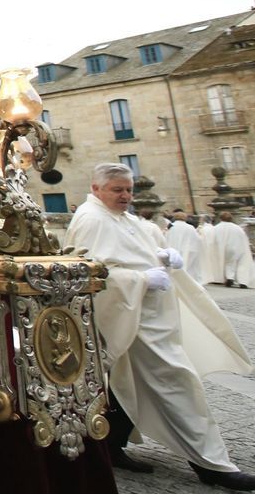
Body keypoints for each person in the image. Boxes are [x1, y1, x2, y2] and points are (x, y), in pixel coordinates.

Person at [65, 163, 254, 488]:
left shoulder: (121, 217)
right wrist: (140, 279)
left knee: (123, 387)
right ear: (97, 189)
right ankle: (211, 462)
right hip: (131, 319)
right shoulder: (91, 219)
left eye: (129, 190)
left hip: (148, 318)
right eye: (118, 190)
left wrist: (162, 256)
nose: (125, 196)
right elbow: (83, 274)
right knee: (175, 382)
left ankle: (111, 445)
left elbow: (131, 252)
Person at [212, 211, 253, 288]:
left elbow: (213, 239)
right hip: (238, 247)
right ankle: (243, 281)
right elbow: (244, 239)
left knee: (229, 263)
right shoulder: (238, 228)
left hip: (225, 248)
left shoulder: (217, 228)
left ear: (220, 218)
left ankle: (229, 277)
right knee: (241, 264)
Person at [166, 209, 206, 283]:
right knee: (187, 267)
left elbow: (166, 237)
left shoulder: (171, 227)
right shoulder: (190, 227)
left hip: (174, 249)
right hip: (188, 249)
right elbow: (198, 239)